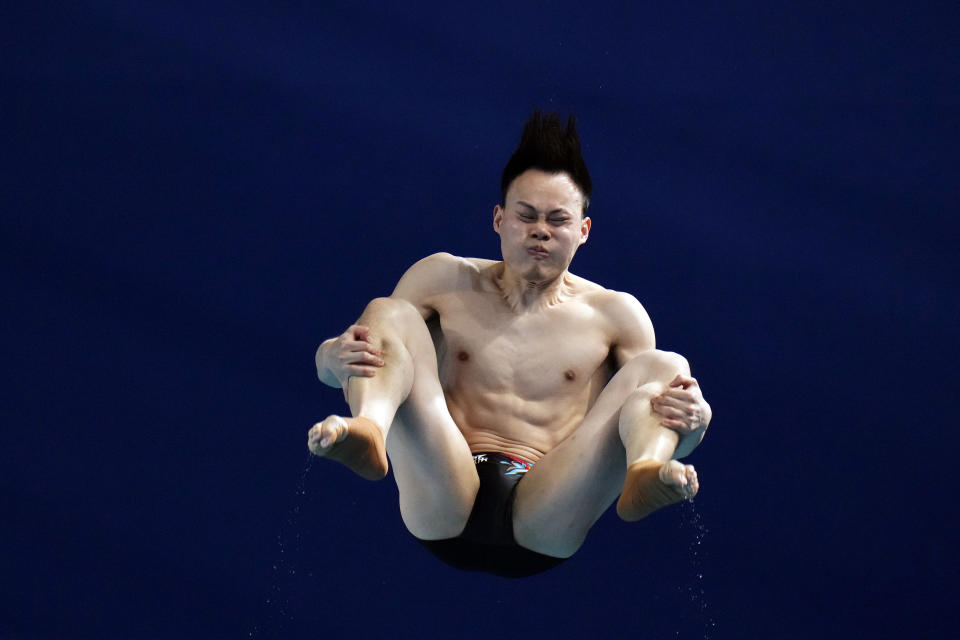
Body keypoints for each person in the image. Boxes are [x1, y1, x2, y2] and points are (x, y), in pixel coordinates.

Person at [309, 110, 712, 577]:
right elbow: (348, 362)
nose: (540, 230)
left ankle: (646, 469)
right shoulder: (442, 278)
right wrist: (330, 355)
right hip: (443, 485)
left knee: (665, 368)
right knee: (389, 313)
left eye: (557, 220)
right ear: (499, 219)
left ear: (582, 231)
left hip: (549, 505)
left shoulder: (615, 315)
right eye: (526, 216)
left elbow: (651, 413)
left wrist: (696, 424)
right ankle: (369, 429)